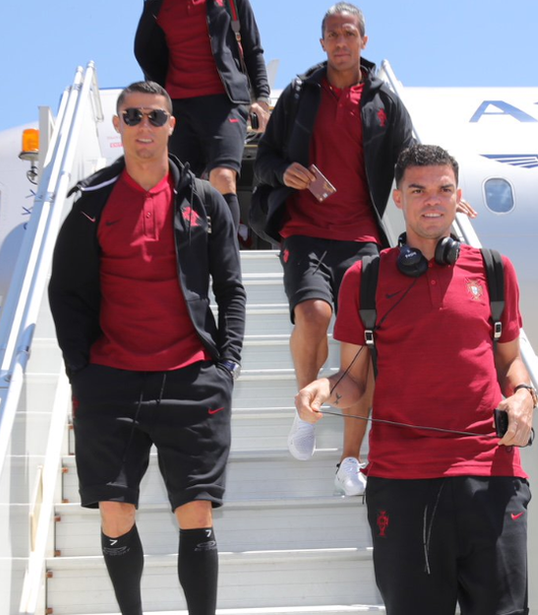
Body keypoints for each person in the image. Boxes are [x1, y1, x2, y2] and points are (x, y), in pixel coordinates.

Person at [294, 144, 534, 615]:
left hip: (491, 474)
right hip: (402, 484)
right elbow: (353, 381)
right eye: (418, 189)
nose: (432, 200)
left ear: (457, 196)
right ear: (399, 199)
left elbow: (512, 363)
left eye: (444, 189)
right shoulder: (364, 278)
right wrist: (324, 387)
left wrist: (524, 395)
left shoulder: (493, 270)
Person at [253, 3, 475, 495]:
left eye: (348, 34)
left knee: (364, 348)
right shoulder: (298, 93)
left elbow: (413, 157)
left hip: (361, 237)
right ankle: (306, 413)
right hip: (305, 230)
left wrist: (444, 197)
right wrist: (283, 172)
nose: (340, 42)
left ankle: (351, 459)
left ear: (363, 42)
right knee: (312, 315)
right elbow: (265, 158)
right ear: (322, 42)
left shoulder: (382, 101)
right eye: (331, 35)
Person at [48, 81, 246, 615]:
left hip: (190, 377)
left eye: (155, 117)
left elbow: (230, 288)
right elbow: (63, 292)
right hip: (110, 380)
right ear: (117, 125)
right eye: (132, 116)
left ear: (171, 126)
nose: (144, 127)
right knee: (115, 512)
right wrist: (79, 370)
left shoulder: (202, 199)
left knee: (196, 514)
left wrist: (226, 364)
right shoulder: (92, 204)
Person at [135, 0, 271, 240]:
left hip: (225, 101)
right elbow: (149, 50)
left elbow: (252, 47)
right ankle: (192, 262)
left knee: (223, 176)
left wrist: (261, 97)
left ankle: (228, 263)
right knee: (183, 188)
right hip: (177, 107)